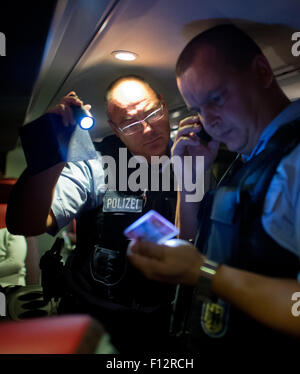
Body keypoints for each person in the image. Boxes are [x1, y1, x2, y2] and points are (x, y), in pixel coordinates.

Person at [127, 24, 300, 353]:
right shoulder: (250, 157)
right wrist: (189, 178)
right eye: (197, 110)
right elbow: (191, 240)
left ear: (262, 71)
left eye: (217, 98)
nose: (209, 121)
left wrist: (204, 273)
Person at [6, 75, 177, 353]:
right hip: (93, 318)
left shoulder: (192, 156)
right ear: (116, 129)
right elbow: (24, 222)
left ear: (165, 106)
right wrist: (51, 150)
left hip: (160, 321)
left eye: (153, 113)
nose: (147, 129)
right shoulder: (95, 163)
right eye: (131, 124)